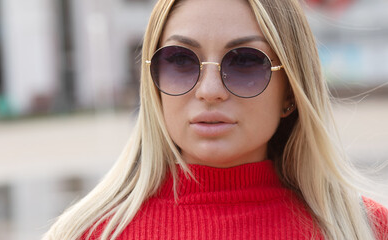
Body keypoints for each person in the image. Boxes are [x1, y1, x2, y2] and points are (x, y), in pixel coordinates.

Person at [43, 0, 388, 239]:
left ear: (290, 93)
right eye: (180, 60)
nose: (210, 91)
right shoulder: (83, 234)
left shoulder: (366, 229)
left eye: (244, 62)